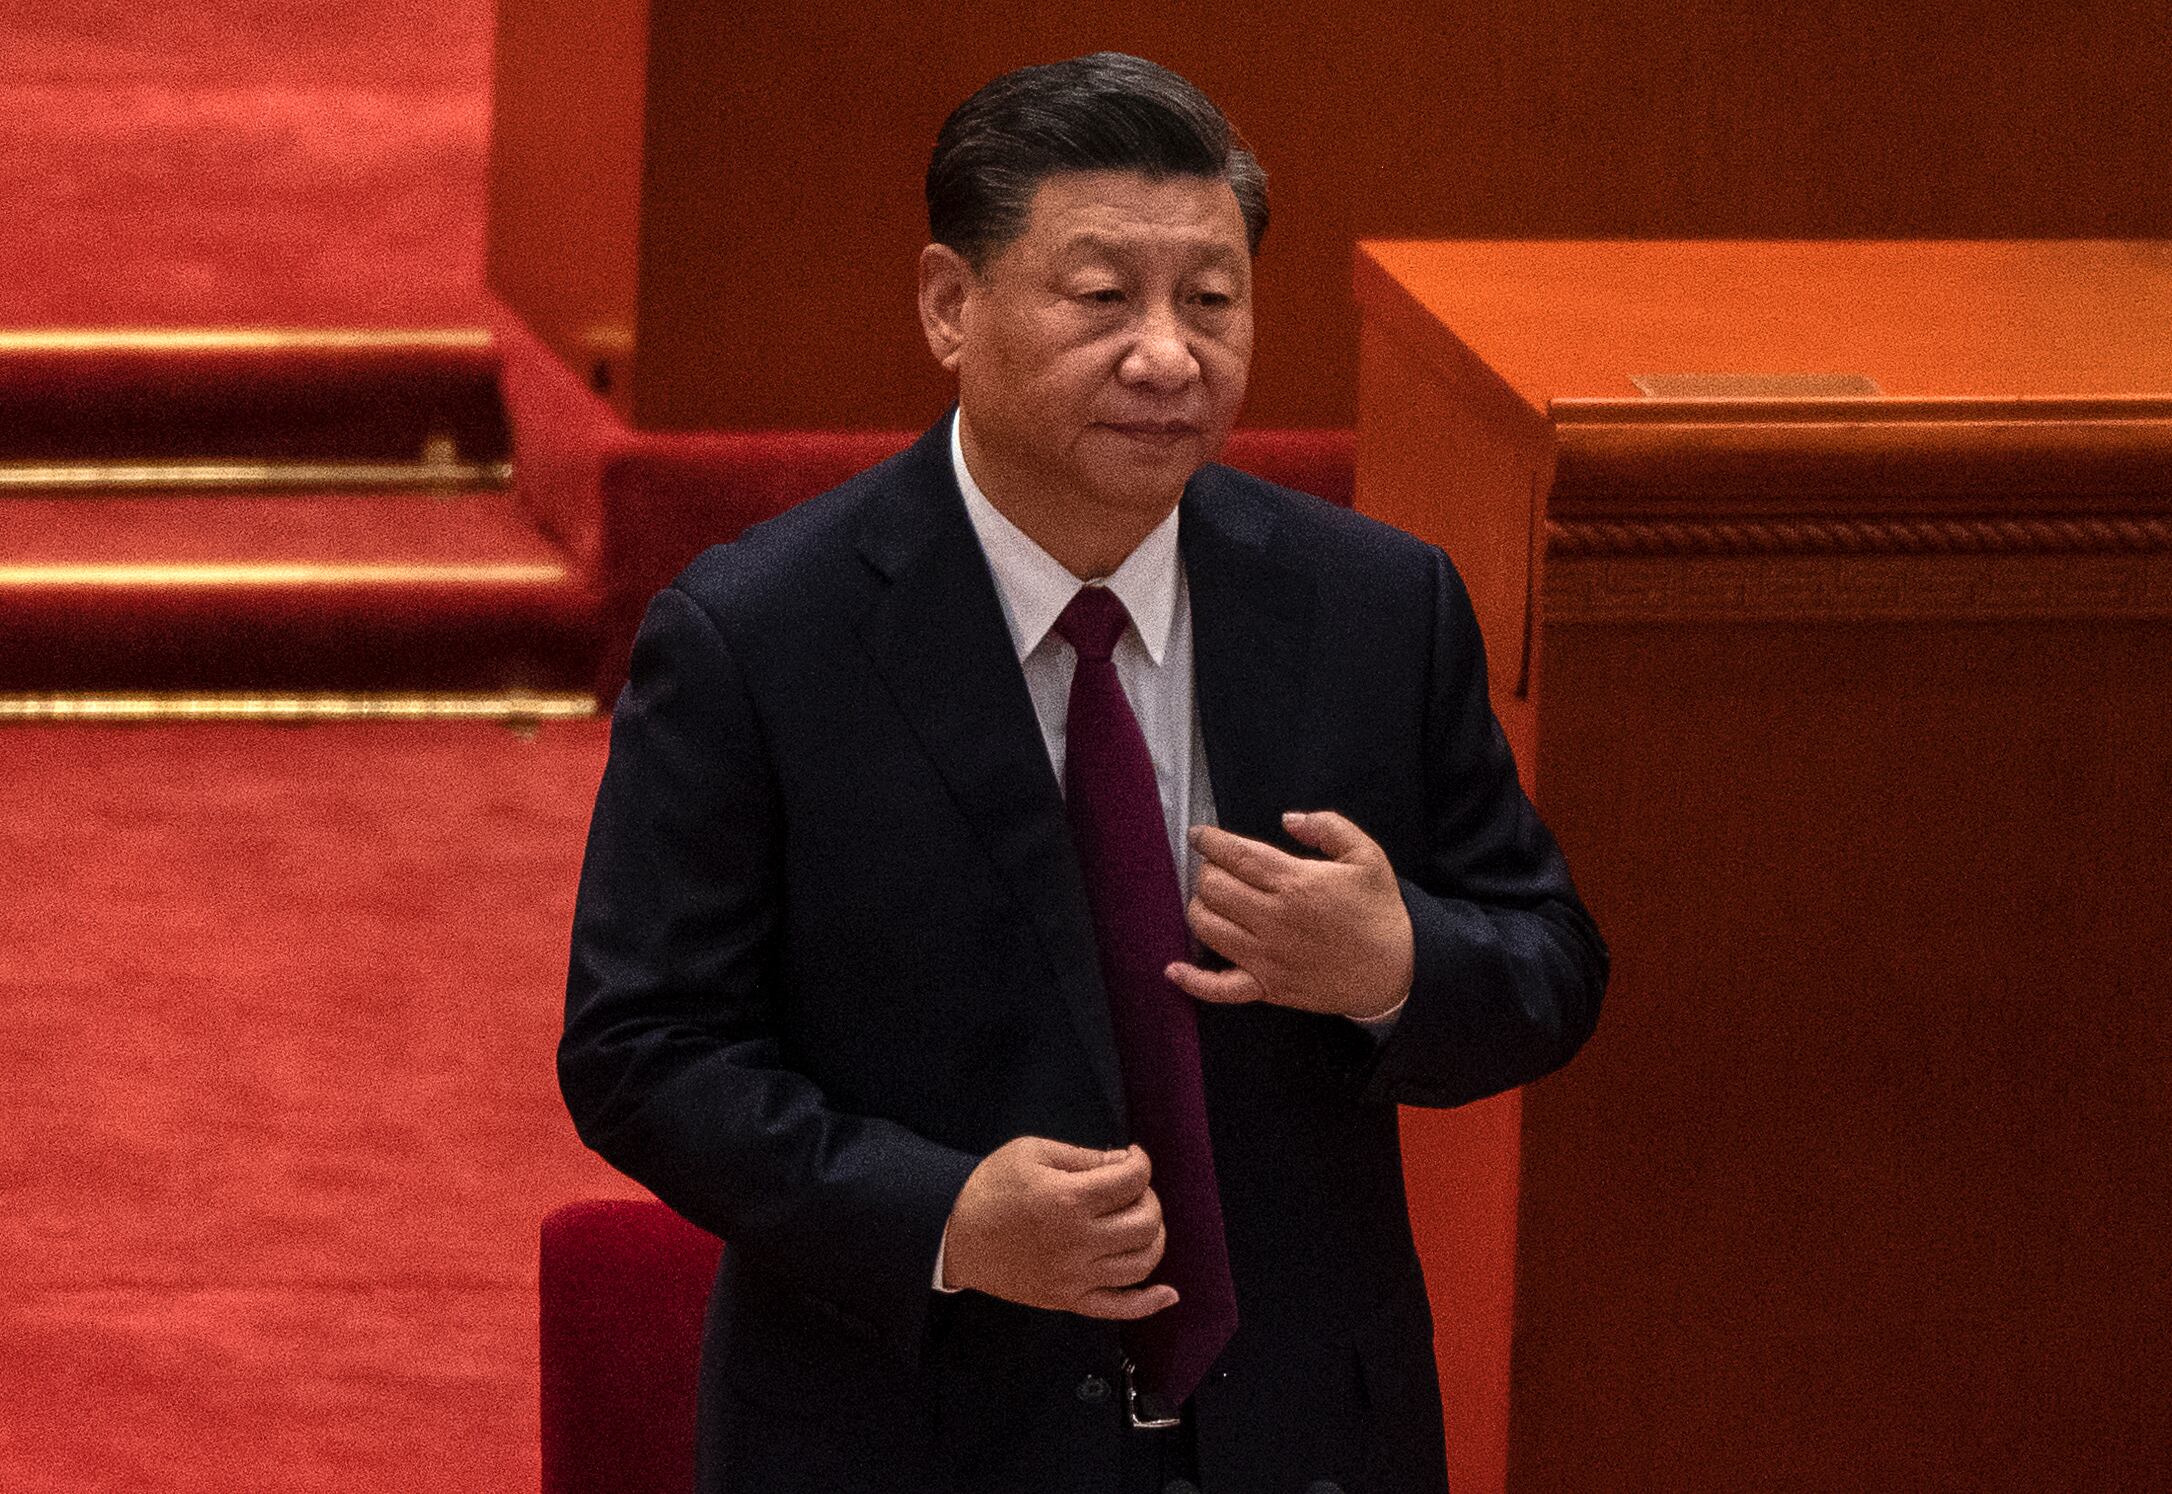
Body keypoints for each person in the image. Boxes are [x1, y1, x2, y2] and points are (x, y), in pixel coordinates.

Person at [560, 51, 1606, 1494]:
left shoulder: (1377, 607)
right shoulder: (760, 639)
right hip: (911, 1435)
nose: (1168, 355)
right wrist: (948, 1214)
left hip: (1308, 1435)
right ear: (949, 306)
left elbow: (1553, 960)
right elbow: (643, 1048)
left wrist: (1395, 959)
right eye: (1103, 297)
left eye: (1213, 301)